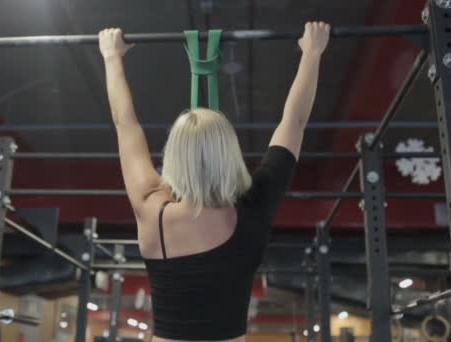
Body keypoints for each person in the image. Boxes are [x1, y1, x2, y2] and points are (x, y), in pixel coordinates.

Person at [99, 22, 331, 341]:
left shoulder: (152, 209)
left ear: (174, 156)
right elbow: (295, 121)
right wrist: (313, 53)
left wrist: (112, 56)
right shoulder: (255, 206)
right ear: (230, 153)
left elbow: (124, 124)